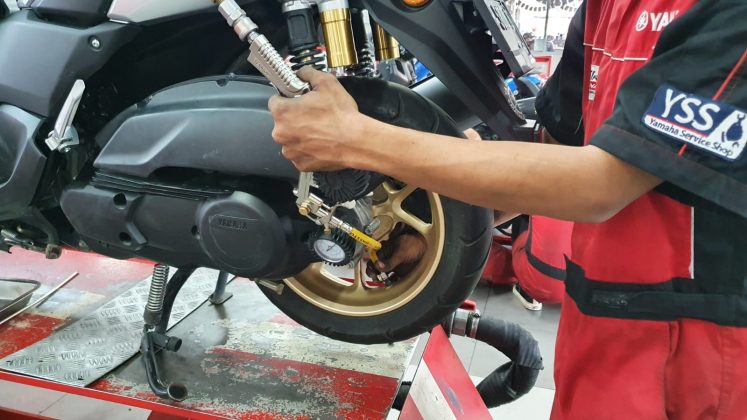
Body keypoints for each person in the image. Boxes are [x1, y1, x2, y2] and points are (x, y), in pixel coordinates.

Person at [269, 0, 747, 417]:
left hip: (699, 357)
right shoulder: (606, 7)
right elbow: (557, 144)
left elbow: (605, 182)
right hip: (599, 325)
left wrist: (356, 140)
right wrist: (436, 224)